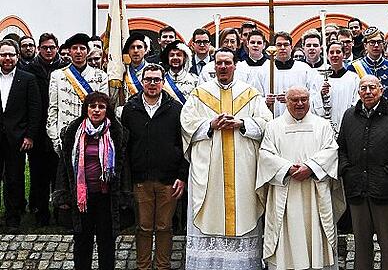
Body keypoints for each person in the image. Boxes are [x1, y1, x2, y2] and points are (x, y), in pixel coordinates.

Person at [181, 48, 272, 269]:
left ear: (235, 65)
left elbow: (267, 123)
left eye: (227, 63)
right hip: (210, 169)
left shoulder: (250, 93)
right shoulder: (199, 93)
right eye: (219, 63)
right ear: (214, 66)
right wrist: (209, 125)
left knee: (243, 211)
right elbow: (186, 124)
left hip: (242, 168)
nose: (223, 67)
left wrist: (242, 124)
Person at [256, 86, 345, 270]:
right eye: (294, 100)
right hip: (285, 193)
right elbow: (265, 155)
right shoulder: (274, 126)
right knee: (285, 240)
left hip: (315, 192)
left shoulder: (323, 125)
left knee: (317, 238)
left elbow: (331, 151)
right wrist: (288, 168)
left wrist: (310, 167)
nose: (300, 104)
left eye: (304, 99)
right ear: (286, 102)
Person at [338, 75, 388, 270]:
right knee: (361, 243)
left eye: (372, 87)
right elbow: (341, 148)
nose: (368, 92)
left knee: (387, 243)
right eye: (363, 88)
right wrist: (347, 171)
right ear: (358, 92)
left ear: (381, 90)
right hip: (357, 189)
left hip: (386, 188)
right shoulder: (349, 115)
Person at [121, 63, 189, 270]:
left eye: (156, 80)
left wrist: (182, 176)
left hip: (169, 179)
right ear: (142, 82)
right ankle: (143, 266)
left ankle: (162, 266)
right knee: (143, 227)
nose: (152, 84)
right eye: (148, 79)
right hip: (141, 178)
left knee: (164, 227)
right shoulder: (130, 109)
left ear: (163, 82)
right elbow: (125, 146)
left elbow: (184, 144)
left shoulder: (176, 109)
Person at [53, 92, 128, 270]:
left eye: (101, 107)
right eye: (92, 106)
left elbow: (124, 168)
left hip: (106, 196)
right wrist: (63, 194)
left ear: (107, 111)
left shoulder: (117, 133)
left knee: (106, 242)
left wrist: (125, 197)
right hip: (82, 198)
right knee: (82, 241)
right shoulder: (73, 132)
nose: (96, 110)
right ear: (85, 109)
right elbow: (64, 166)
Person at [23, 33, 65, 226]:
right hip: (38, 130)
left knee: (58, 173)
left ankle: (59, 211)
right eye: (45, 47)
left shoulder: (65, 68)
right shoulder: (30, 70)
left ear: (56, 48)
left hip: (59, 127)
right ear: (39, 49)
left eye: (52, 47)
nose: (49, 50)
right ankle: (41, 213)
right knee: (38, 174)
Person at [0, 39, 41, 229]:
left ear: (17, 56)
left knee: (14, 179)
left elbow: (35, 110)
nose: (7, 58)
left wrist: (30, 136)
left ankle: (13, 218)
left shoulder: (27, 79)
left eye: (10, 54)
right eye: (3, 54)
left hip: (17, 138)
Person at [47, 33, 108, 155]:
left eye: (82, 48)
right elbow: (53, 109)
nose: (78, 52)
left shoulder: (101, 76)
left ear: (88, 51)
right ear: (69, 51)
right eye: (75, 48)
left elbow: (104, 109)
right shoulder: (57, 75)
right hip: (65, 135)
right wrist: (54, 138)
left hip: (93, 136)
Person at [252, 31, 323, 117]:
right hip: (272, 118)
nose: (282, 48)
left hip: (299, 120)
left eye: (286, 45)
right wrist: (266, 101)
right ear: (274, 47)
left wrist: (294, 100)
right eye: (279, 45)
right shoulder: (264, 70)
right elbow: (256, 97)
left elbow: (313, 97)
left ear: (291, 47)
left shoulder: (304, 69)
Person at [347, 27, 388, 104]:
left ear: (383, 45)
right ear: (365, 45)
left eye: (379, 42)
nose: (376, 45)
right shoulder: (354, 67)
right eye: (372, 42)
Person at [323, 41, 360, 132]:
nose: (335, 55)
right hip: (326, 125)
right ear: (327, 56)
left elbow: (357, 101)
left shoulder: (353, 78)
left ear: (343, 55)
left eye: (338, 52)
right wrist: (321, 94)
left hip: (348, 125)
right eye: (331, 52)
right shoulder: (320, 78)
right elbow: (313, 102)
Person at [123, 34, 149, 98]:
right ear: (128, 51)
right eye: (132, 47)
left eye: (139, 47)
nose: (136, 51)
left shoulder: (153, 70)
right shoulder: (123, 70)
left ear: (145, 50)